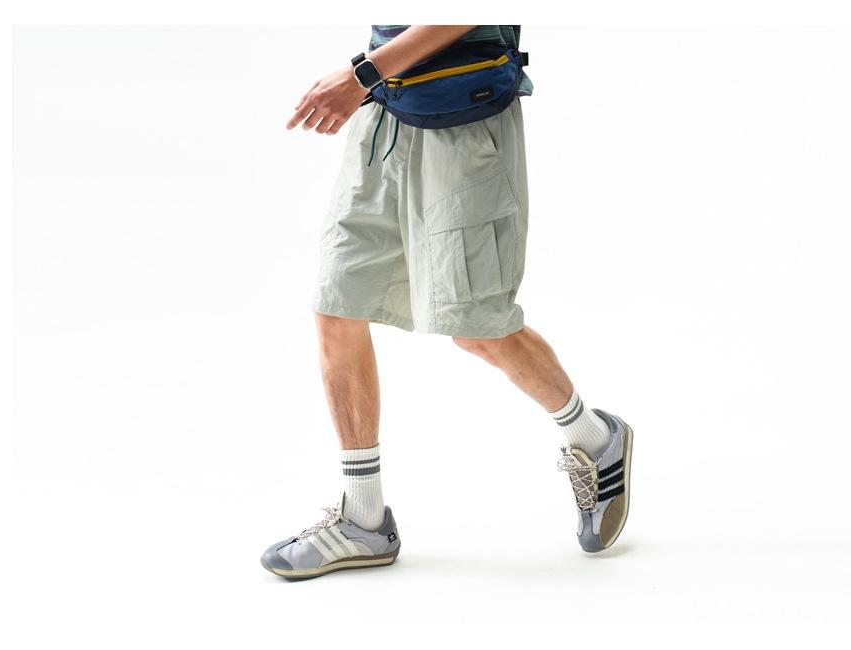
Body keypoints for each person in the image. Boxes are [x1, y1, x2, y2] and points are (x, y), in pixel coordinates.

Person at [261, 25, 634, 580]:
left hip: (464, 123)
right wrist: (372, 78)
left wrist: (362, 73)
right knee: (338, 306)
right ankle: (364, 520)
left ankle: (594, 439)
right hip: (384, 115)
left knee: (479, 327)